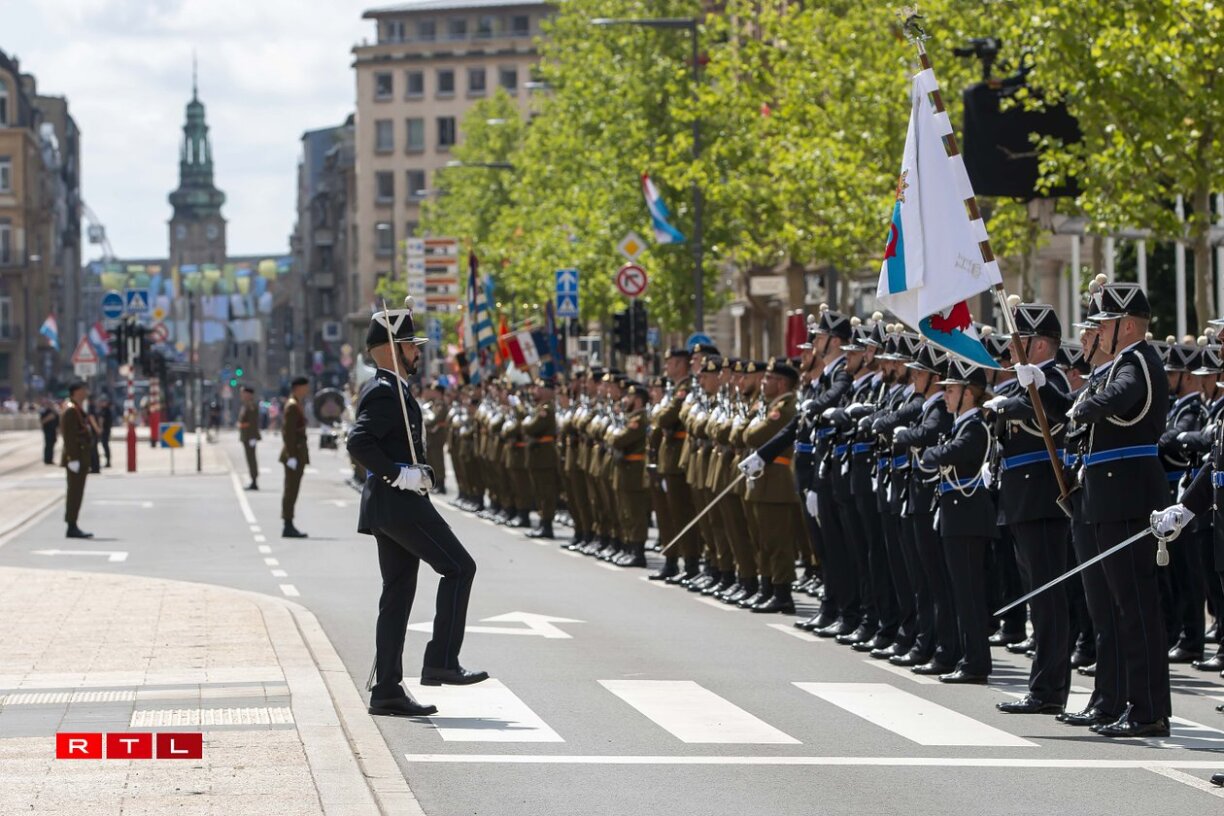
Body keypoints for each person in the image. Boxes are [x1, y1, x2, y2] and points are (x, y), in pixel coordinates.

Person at [346, 301, 487, 718]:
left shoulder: (393, 389)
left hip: (392, 506)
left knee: (397, 596)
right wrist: (397, 475)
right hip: (398, 503)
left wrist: (414, 471)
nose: (417, 353)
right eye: (410, 345)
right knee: (460, 567)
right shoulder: (383, 390)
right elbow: (359, 442)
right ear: (391, 349)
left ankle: (387, 688)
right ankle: (441, 659)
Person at [1069, 281, 1171, 738]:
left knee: (1137, 607)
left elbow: (1118, 398)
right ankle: (1126, 702)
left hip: (1128, 496)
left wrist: (1083, 406)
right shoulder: (1119, 363)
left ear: (1126, 326)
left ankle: (1147, 710)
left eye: (1105, 323)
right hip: (1111, 496)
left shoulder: (1139, 363)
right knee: (1121, 607)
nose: (1098, 332)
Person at [990, 302, 1074, 714]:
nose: (1010, 347)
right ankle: (1045, 685)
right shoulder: (1021, 383)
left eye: (1018, 340)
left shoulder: (1052, 380)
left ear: (1039, 345)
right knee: (1038, 597)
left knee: (1047, 597)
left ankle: (1048, 689)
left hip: (1043, 500)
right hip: (1021, 499)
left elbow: (1059, 416)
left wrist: (1029, 392)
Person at [921, 358, 996, 684]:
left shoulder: (975, 427)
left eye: (950, 390)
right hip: (956, 516)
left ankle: (975, 662)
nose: (945, 396)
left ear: (968, 394)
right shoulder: (962, 425)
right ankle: (967, 657)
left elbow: (948, 454)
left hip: (966, 519)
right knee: (960, 592)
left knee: (968, 594)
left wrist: (934, 453)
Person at [61, 381, 93, 539]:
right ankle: (71, 525)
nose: (86, 392)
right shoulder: (71, 410)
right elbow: (69, 437)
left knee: (77, 492)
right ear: (77, 391)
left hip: (80, 457)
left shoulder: (77, 409)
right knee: (74, 492)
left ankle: (73, 524)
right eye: (83, 390)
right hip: (76, 458)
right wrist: (73, 458)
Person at [280, 377, 311, 538]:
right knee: (290, 490)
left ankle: (289, 523)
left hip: (298, 453)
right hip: (294, 454)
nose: (307, 390)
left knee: (293, 489)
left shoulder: (296, 403)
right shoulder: (292, 406)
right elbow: (288, 432)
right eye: (305, 387)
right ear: (298, 388)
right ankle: (287, 524)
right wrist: (291, 455)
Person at [239, 386, 262, 490]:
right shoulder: (245, 405)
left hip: (250, 436)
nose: (242, 395)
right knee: (249, 459)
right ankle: (253, 479)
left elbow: (253, 423)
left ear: (249, 394)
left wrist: (253, 437)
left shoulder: (251, 406)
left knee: (252, 459)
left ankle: (254, 480)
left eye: (244, 393)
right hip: (246, 436)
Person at [39, 398, 59, 465]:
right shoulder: (45, 411)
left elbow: (58, 423)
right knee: (48, 445)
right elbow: (42, 421)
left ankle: (50, 459)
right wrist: (49, 418)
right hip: (47, 430)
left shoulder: (55, 412)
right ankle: (47, 459)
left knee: (52, 445)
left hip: (53, 431)